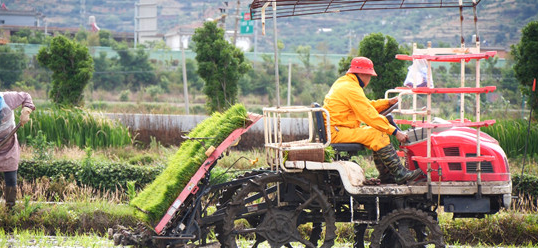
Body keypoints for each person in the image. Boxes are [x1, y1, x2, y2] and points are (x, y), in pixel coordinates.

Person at [323, 57, 422, 185]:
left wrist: (387, 102)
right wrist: (395, 132)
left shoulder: (345, 83)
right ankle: (399, 173)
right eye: (369, 76)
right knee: (377, 133)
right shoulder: (351, 88)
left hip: (338, 129)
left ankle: (387, 175)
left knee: (376, 131)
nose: (369, 79)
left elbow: (366, 106)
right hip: (337, 131)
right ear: (363, 74)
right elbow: (369, 115)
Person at [0, 91, 34, 210]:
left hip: (8, 145)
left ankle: (10, 208)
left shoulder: (7, 99)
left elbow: (26, 96)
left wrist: (26, 110)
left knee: (10, 178)